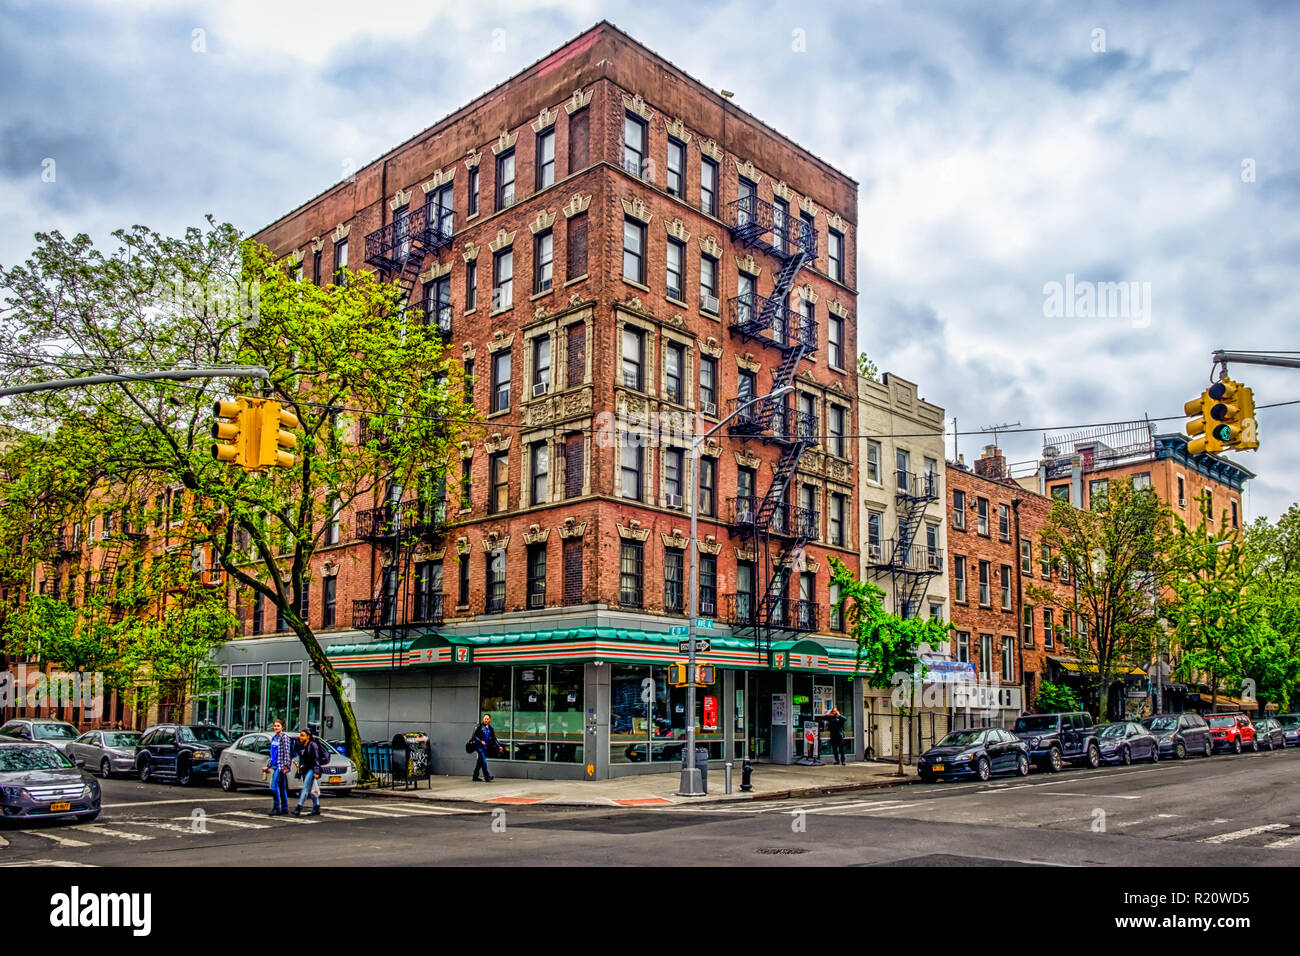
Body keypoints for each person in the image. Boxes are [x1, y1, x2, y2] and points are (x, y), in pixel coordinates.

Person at [292, 728, 327, 816]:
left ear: (308, 737)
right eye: (300, 735)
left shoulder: (313, 745)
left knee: (306, 787)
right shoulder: (301, 745)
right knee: (312, 789)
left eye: (303, 736)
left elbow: (316, 759)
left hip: (312, 768)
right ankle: (316, 807)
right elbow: (301, 759)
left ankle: (298, 808)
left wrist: (316, 771)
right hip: (305, 768)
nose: (301, 737)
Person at [267, 719, 292, 816]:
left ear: (282, 727)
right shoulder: (274, 738)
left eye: (278, 726)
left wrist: (286, 766)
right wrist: (268, 765)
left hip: (281, 766)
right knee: (282, 787)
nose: (276, 727)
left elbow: (287, 753)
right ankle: (284, 808)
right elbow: (273, 754)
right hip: (274, 765)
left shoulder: (284, 737)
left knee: (273, 786)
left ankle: (276, 807)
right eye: (275, 726)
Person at [470, 714, 499, 782]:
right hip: (478, 746)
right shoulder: (479, 726)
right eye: (485, 718)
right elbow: (474, 736)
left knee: (480, 761)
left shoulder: (491, 728)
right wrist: (480, 741)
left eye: (487, 719)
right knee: (483, 760)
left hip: (485, 747)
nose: (486, 720)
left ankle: (475, 776)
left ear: (490, 720)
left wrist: (499, 746)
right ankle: (487, 777)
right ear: (483, 719)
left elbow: (494, 738)